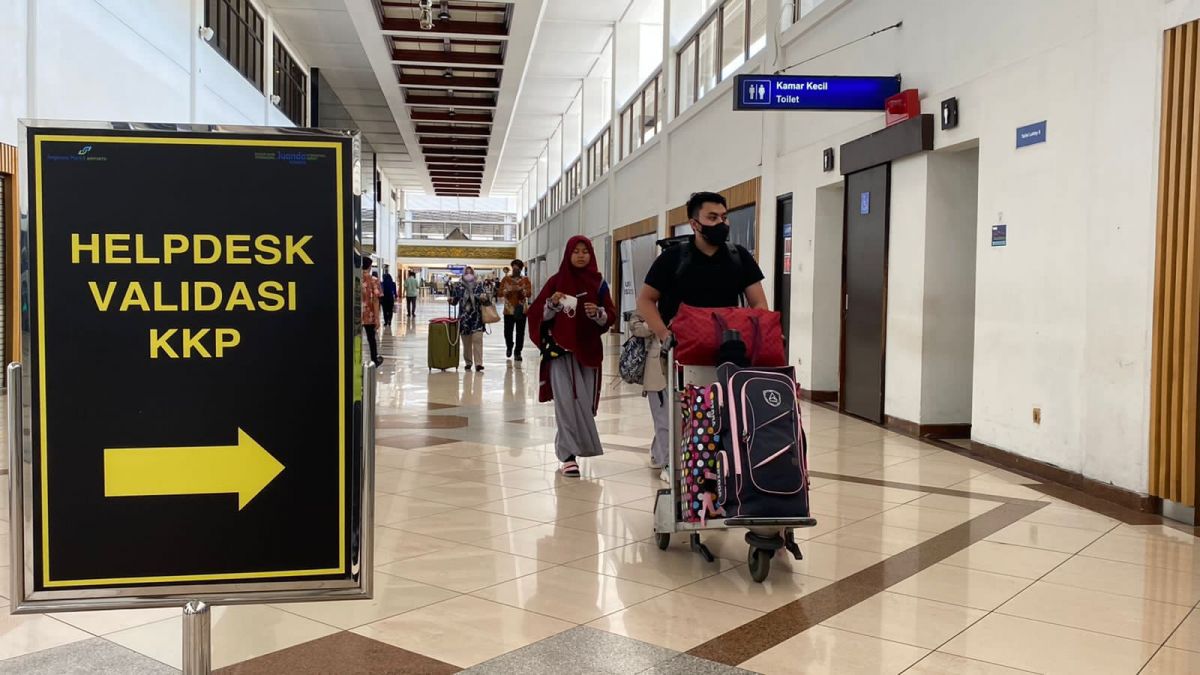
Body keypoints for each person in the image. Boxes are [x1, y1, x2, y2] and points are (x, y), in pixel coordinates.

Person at [636, 191, 767, 476]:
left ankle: (720, 470)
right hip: (683, 350)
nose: (721, 222)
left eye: (724, 217)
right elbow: (646, 300)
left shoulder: (738, 256)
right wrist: (663, 333)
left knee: (723, 411)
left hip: (727, 351)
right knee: (680, 412)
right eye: (712, 217)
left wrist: (758, 334)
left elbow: (758, 302)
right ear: (694, 224)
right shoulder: (673, 258)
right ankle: (677, 465)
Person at [528, 236, 617, 477]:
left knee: (584, 404)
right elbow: (537, 314)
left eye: (585, 251)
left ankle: (571, 448)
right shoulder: (556, 281)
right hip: (561, 353)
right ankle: (568, 456)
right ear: (568, 254)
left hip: (588, 351)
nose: (580, 255)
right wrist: (552, 305)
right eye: (576, 251)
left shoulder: (598, 283)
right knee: (566, 403)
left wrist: (597, 313)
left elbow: (611, 314)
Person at [450, 265, 492, 372]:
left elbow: (486, 300)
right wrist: (450, 300)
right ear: (463, 275)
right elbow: (454, 301)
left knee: (478, 340)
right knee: (466, 343)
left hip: (477, 318)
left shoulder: (479, 285)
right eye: (466, 273)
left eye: (470, 272)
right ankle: (468, 362)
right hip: (464, 319)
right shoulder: (458, 286)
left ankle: (478, 364)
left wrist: (484, 298)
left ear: (474, 274)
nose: (469, 275)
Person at [499, 259, 533, 362]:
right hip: (508, 310)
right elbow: (500, 293)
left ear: (521, 269)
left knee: (520, 332)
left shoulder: (525, 280)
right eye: (513, 267)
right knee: (507, 332)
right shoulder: (506, 279)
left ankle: (518, 352)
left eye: (517, 268)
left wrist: (522, 290)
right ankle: (509, 346)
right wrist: (506, 291)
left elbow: (529, 294)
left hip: (521, 309)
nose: (515, 269)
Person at [361, 257, 384, 366]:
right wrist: (377, 319)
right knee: (371, 338)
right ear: (370, 267)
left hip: (355, 315)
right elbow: (375, 300)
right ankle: (374, 359)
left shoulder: (354, 279)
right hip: (369, 315)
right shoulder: (374, 281)